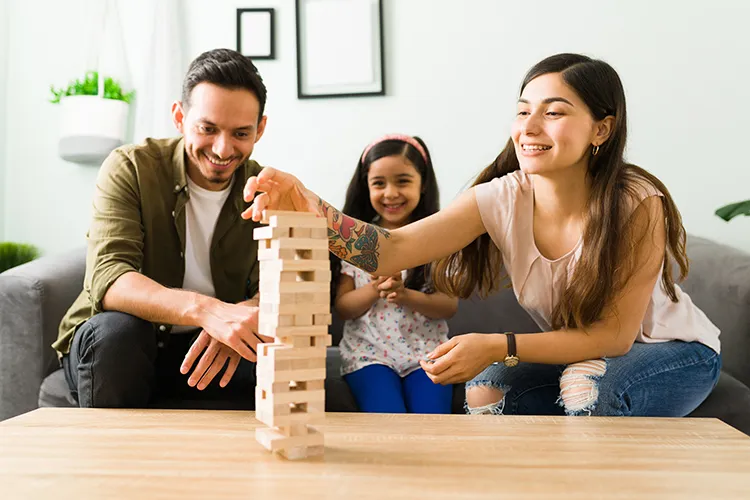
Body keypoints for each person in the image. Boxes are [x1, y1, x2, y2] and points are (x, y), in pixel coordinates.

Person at [240, 53, 721, 418]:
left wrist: (497, 344)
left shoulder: (635, 202)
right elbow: (390, 251)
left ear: (602, 128)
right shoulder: (501, 197)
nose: (528, 127)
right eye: (522, 111)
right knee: (486, 386)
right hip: (588, 354)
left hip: (672, 353)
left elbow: (612, 337)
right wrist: (309, 203)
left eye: (553, 112)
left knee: (584, 386)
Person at [54, 48, 276, 409]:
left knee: (276, 359)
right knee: (118, 334)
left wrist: (243, 316)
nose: (222, 149)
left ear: (260, 129)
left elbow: (279, 285)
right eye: (207, 128)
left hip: (203, 347)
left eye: (240, 133)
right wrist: (209, 310)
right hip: (123, 341)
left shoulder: (266, 190)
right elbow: (110, 278)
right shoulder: (130, 167)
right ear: (179, 116)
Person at [331, 134, 458, 413]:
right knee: (388, 418)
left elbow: (448, 306)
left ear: (422, 183)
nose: (390, 193)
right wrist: (375, 288)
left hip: (428, 353)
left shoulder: (438, 236)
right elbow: (343, 308)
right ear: (366, 186)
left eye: (402, 181)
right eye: (379, 183)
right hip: (369, 355)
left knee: (432, 420)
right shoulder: (356, 240)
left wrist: (405, 295)